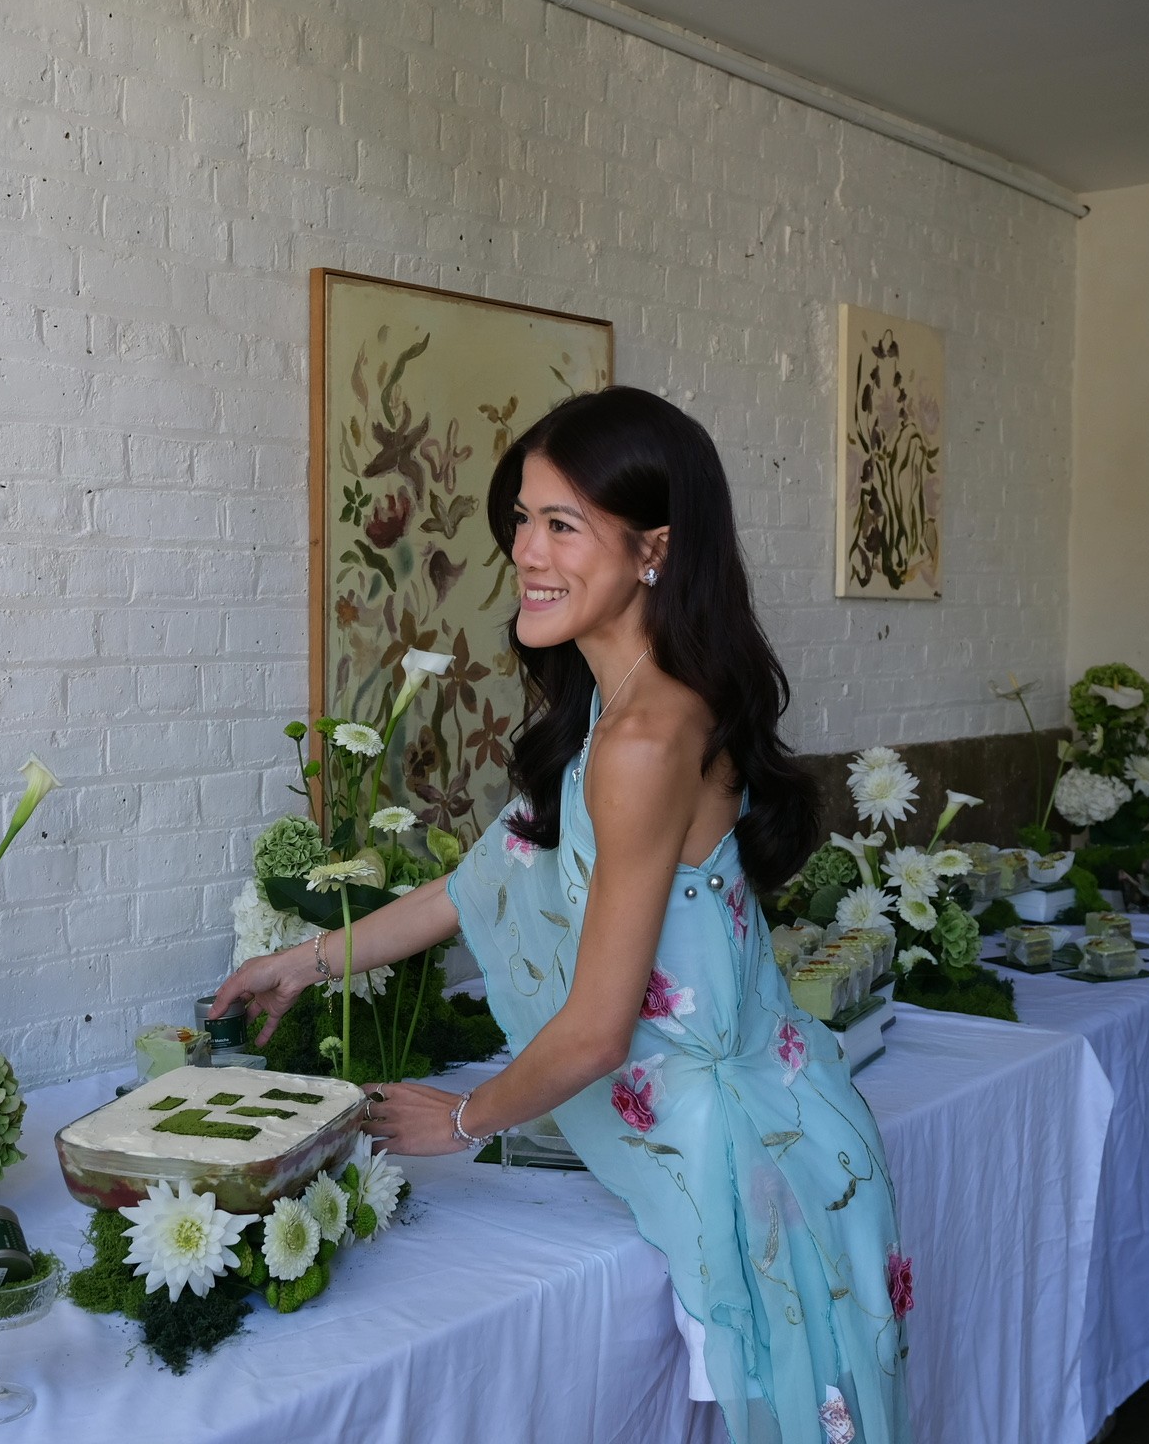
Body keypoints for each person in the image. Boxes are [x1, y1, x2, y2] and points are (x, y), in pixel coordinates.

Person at [213, 388, 910, 1444]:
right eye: (522, 520)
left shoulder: (643, 741)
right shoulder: (624, 709)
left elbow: (596, 1027)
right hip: (762, 1122)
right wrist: (309, 959)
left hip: (739, 1162)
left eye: (561, 523)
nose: (525, 553)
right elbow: (480, 883)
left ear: (653, 550)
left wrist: (460, 1117)